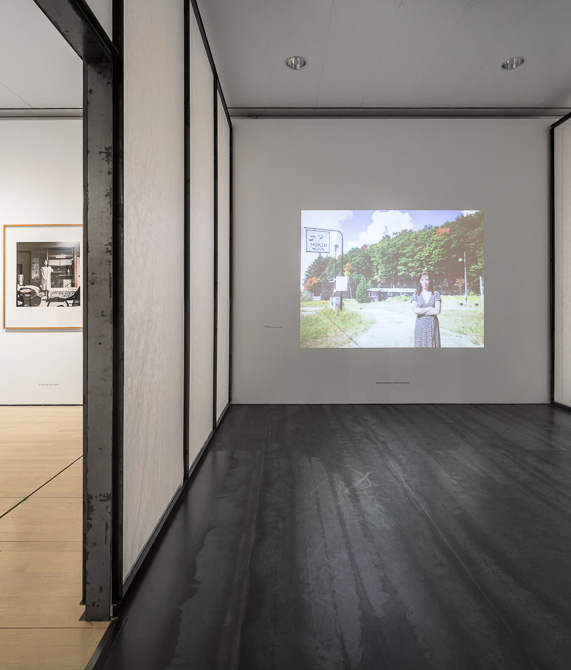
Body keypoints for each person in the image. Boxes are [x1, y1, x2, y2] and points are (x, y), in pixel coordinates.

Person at [411, 272, 441, 347]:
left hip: (432, 324)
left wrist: (421, 311)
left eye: (427, 280)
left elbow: (437, 311)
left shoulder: (435, 294)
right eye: (422, 280)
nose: (425, 282)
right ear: (420, 281)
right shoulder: (416, 294)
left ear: (430, 281)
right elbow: (415, 310)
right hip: (420, 325)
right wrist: (430, 308)